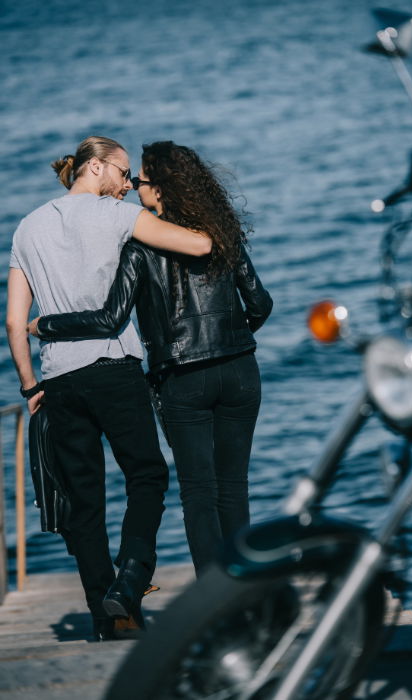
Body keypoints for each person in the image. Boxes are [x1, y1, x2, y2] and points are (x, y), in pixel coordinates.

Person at [29, 141, 273, 576]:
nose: (133, 185)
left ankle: (213, 603)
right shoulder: (220, 233)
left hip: (182, 378)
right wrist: (231, 340)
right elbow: (260, 304)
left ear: (159, 190)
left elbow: (109, 317)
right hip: (240, 371)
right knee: (234, 488)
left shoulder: (138, 248)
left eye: (139, 180)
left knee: (199, 493)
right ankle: (248, 589)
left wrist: (47, 325)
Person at [6, 136, 211, 640]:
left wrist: (30, 385)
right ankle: (131, 577)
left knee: (83, 500)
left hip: (58, 378)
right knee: (147, 476)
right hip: (113, 368)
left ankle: (108, 617)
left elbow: (14, 323)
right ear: (96, 167)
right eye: (123, 174)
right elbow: (199, 244)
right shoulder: (115, 217)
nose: (127, 185)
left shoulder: (27, 228)